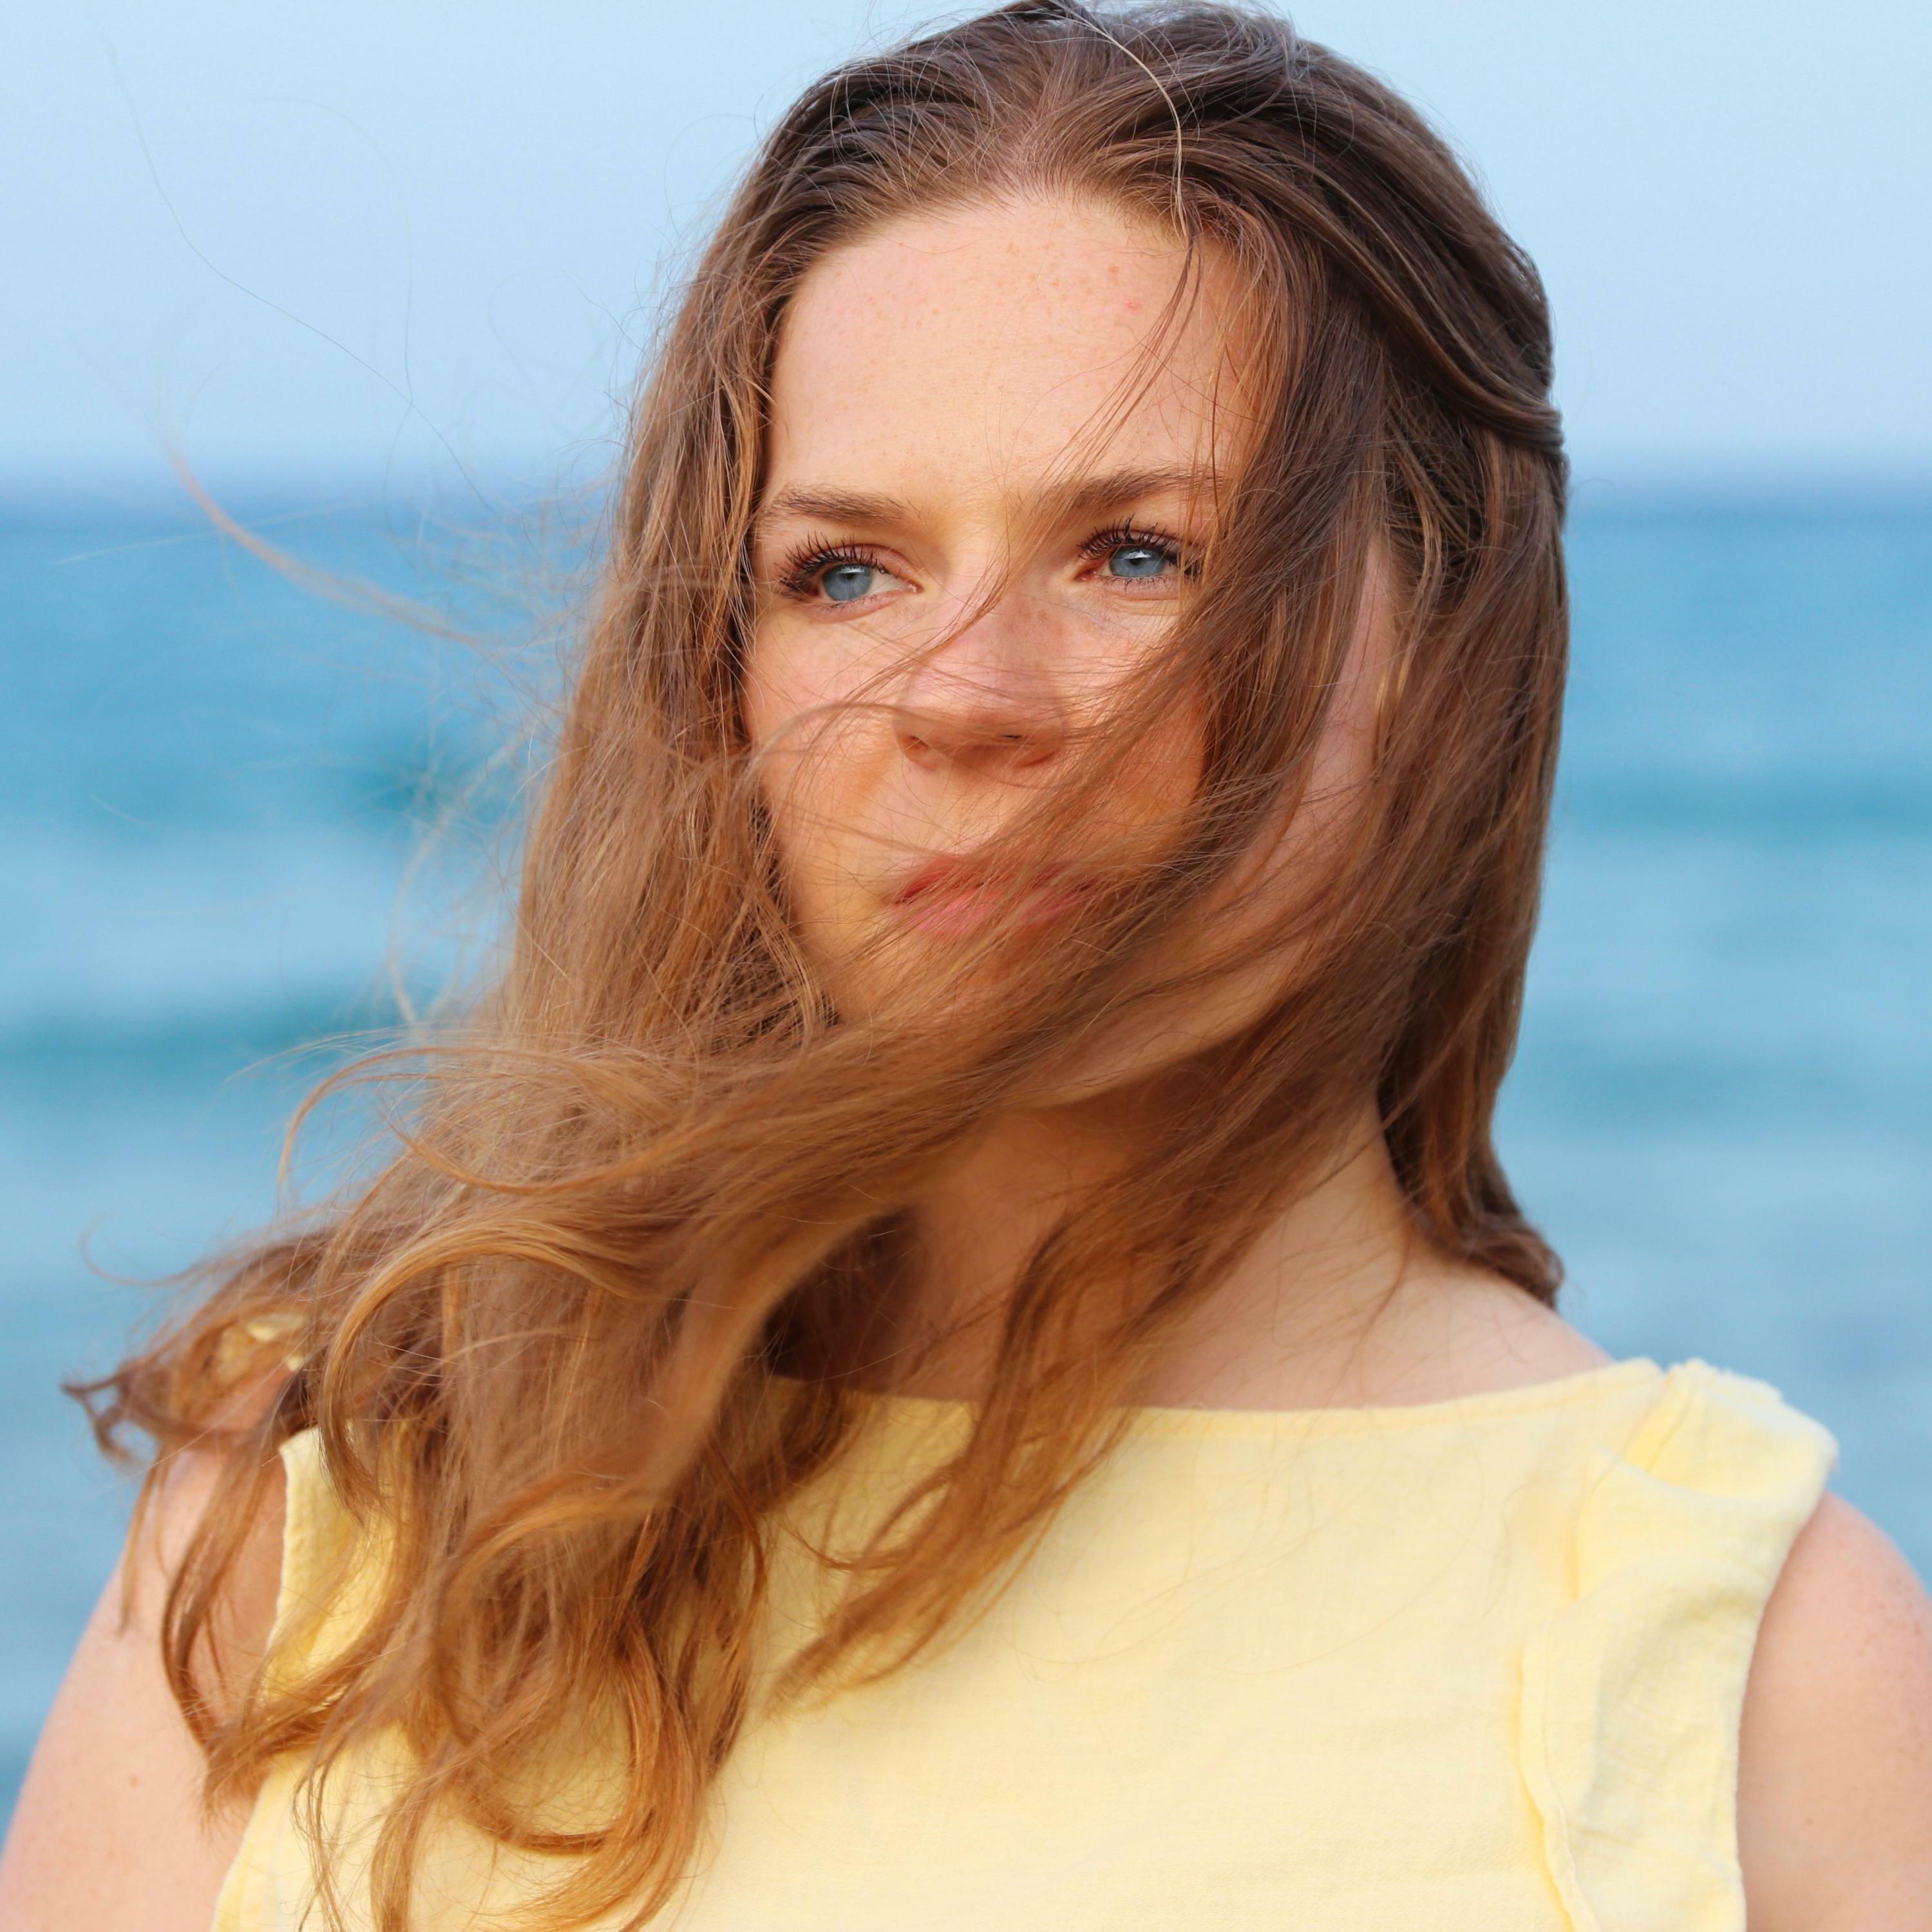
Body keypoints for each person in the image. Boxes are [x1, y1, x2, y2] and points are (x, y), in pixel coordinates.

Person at [5, 3, 1930, 1927]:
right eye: (846, 573)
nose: (964, 700)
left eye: (1140, 554)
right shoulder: (347, 1510)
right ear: (722, 675)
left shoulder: (1743, 1675)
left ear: (1444, 637)